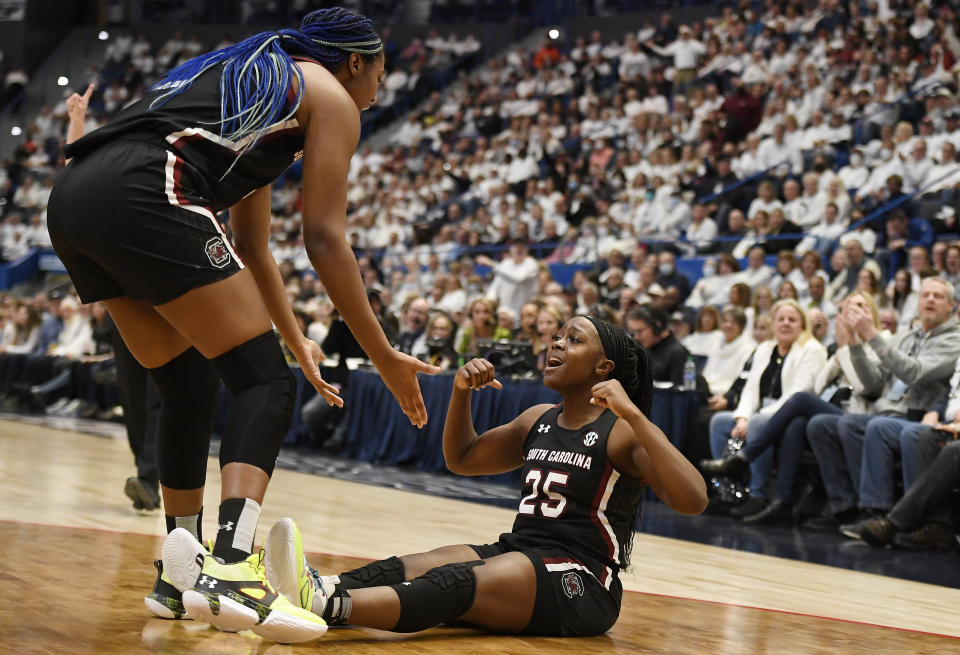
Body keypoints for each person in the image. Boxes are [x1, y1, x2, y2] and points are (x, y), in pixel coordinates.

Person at [48, 8, 438, 639]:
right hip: (149, 186)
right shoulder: (332, 96)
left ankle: (178, 574)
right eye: (380, 75)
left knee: (186, 386)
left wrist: (293, 338)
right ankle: (231, 569)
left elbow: (253, 246)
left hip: (76, 196)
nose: (377, 92)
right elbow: (326, 240)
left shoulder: (260, 88)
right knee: (266, 385)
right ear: (357, 63)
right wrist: (384, 352)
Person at [163, 316, 708, 639]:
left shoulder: (620, 432)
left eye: (574, 340)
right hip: (522, 550)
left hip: (581, 579)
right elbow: (463, 458)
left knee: (454, 584)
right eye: (557, 335)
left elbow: (693, 499)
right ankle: (304, 588)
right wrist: (462, 395)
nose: (556, 343)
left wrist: (636, 413)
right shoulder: (537, 419)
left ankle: (319, 606)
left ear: (604, 369)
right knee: (415, 563)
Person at [705, 299, 828, 518]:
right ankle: (727, 493)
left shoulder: (812, 349)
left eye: (792, 319)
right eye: (781, 319)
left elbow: (798, 393)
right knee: (719, 422)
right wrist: (742, 417)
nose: (786, 324)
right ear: (773, 324)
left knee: (758, 423)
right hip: (759, 415)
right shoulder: (764, 349)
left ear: (802, 325)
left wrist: (754, 419)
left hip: (791, 419)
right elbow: (751, 389)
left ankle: (758, 495)